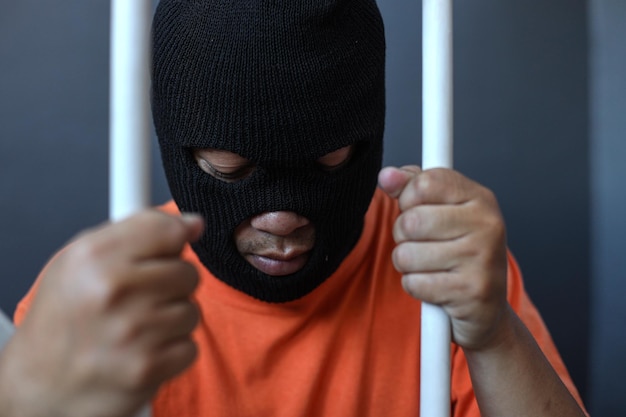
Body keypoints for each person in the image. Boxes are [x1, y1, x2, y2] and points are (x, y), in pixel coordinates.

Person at [1, 0, 588, 416]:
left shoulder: (443, 264)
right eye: (230, 165)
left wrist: (492, 336)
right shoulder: (99, 301)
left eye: (330, 159)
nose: (282, 220)